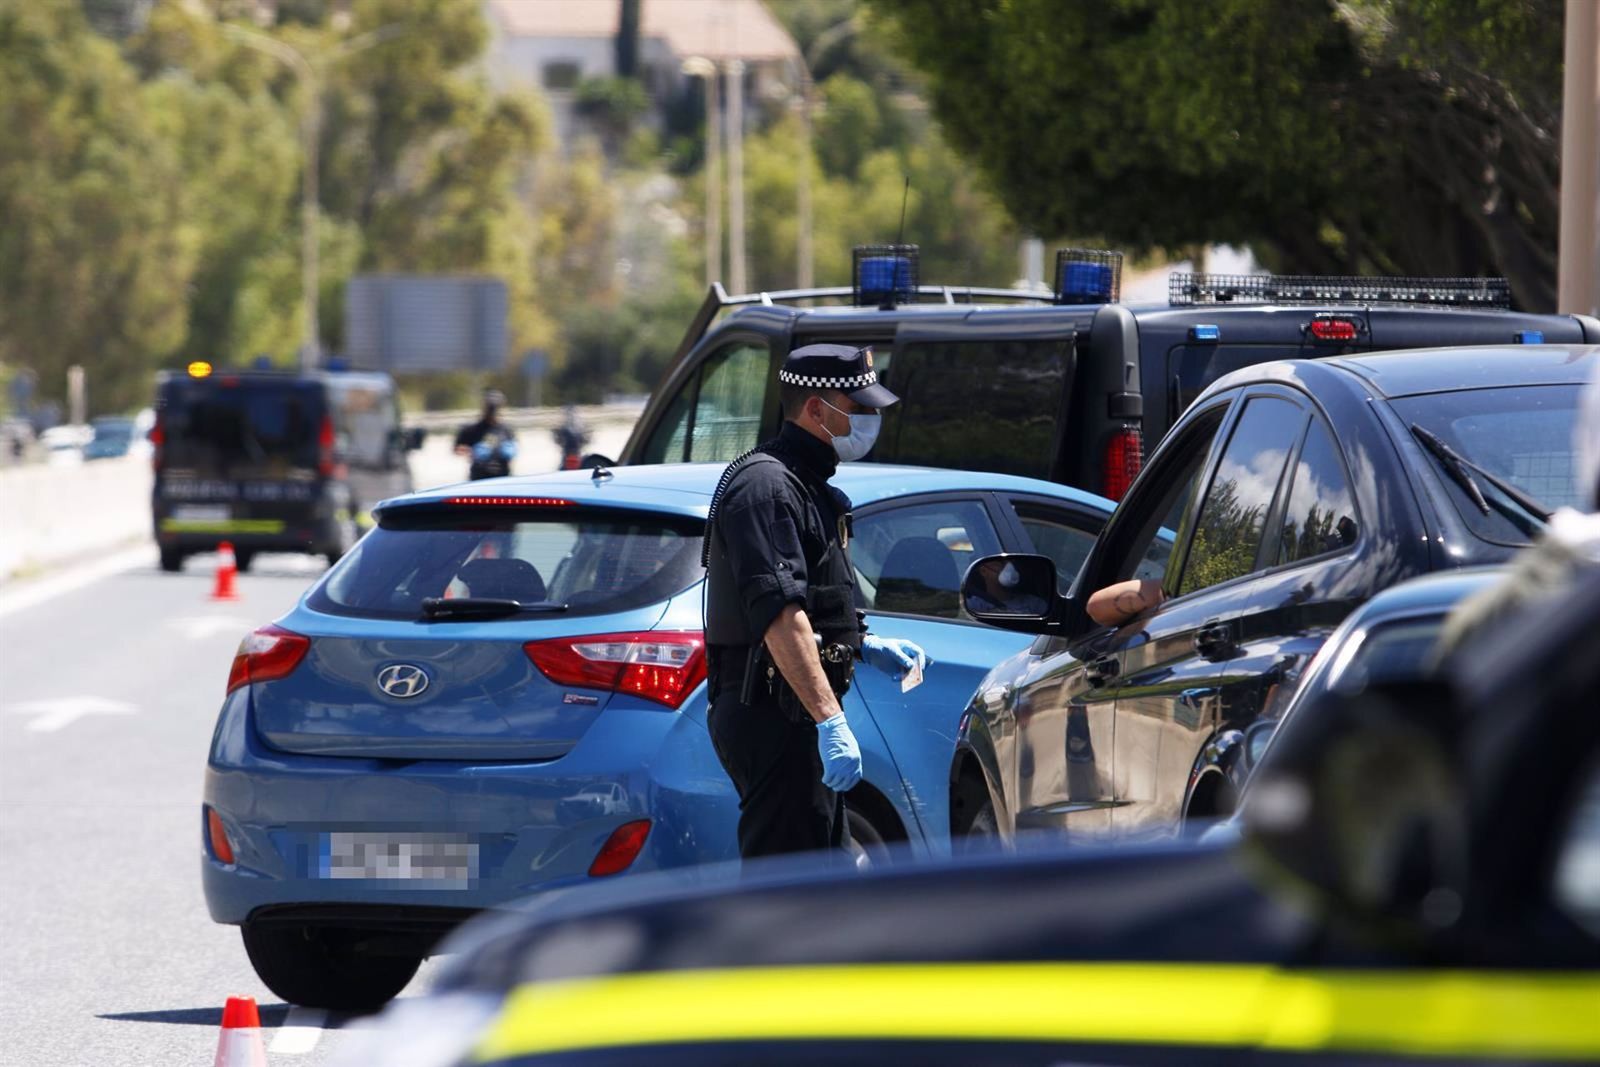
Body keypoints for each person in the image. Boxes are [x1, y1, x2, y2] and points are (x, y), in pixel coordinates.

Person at [702, 343, 928, 861]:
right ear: (815, 409)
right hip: (773, 714)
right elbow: (780, 617)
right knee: (788, 887)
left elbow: (816, 595)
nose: (870, 419)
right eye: (859, 407)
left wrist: (860, 642)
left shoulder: (803, 483)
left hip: (792, 712)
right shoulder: (767, 488)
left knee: (824, 875)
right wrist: (830, 721)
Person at [454, 389, 516, 480]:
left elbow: (513, 448)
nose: (492, 411)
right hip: (480, 478)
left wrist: (509, 451)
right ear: (484, 407)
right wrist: (472, 451)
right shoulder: (472, 429)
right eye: (490, 408)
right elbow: (457, 449)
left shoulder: (506, 429)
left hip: (503, 477)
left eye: (495, 408)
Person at [553, 404, 590, 470]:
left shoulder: (575, 429)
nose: (571, 416)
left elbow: (585, 441)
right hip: (569, 456)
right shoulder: (566, 429)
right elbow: (558, 440)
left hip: (573, 456)